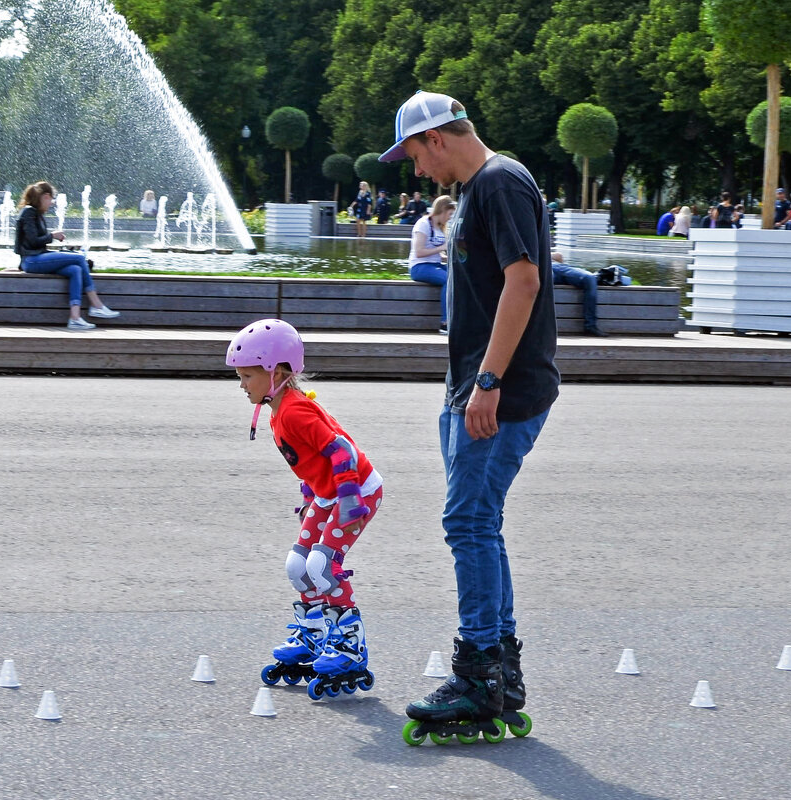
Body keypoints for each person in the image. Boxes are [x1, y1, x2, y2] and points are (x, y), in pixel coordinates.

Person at [380, 90, 558, 740]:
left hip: (497, 393)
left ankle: (480, 670)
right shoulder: (484, 189)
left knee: (468, 520)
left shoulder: (499, 182)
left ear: (438, 139)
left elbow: (525, 280)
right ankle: (500, 668)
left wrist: (487, 382)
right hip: (472, 390)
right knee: (481, 521)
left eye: (415, 157)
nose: (418, 172)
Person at [225, 318, 384, 697]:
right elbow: (309, 460)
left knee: (322, 566)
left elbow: (340, 450)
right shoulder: (278, 409)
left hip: (357, 492)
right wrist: (310, 495)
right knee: (298, 566)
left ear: (275, 372)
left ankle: (349, 646)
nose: (241, 384)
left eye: (247, 376)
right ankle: (315, 635)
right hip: (328, 494)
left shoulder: (294, 410)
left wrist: (347, 497)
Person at [14, 181, 120, 330]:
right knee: (79, 258)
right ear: (45, 196)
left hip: (35, 258)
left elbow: (31, 242)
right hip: (31, 260)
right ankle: (96, 304)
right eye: (51, 199)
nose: (51, 203)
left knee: (75, 269)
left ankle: (75, 318)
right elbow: (32, 242)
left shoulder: (35, 214)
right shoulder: (29, 212)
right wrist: (53, 236)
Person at [409, 194, 456, 333]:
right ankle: (445, 322)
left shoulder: (440, 226)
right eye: (450, 214)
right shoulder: (423, 224)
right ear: (442, 210)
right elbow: (419, 252)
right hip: (419, 267)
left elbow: (436, 253)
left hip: (433, 264)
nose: (450, 217)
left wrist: (448, 258)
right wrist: (442, 248)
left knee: (462, 275)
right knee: (449, 279)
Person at [551, 252, 606, 337]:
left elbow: (559, 256)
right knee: (545, 280)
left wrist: (548, 255)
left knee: (590, 277)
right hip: (543, 268)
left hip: (563, 268)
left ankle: (590, 326)